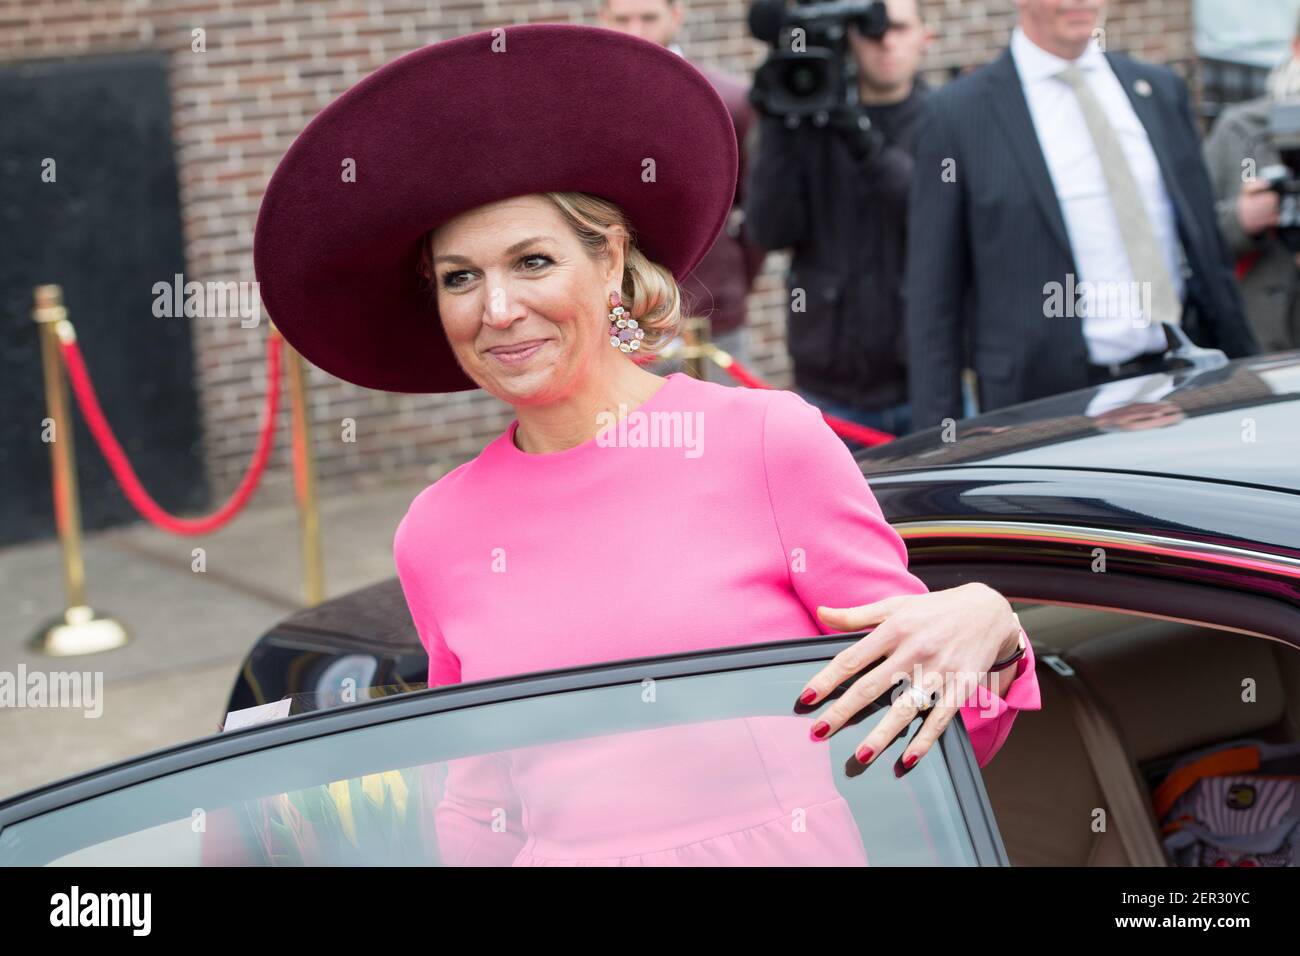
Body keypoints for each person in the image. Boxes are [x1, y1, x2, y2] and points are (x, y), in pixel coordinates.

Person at [253, 23, 1040, 865]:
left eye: (532, 260)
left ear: (610, 260)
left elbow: (920, 726)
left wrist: (991, 629)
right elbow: (478, 800)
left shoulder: (767, 443)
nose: (498, 309)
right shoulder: (435, 530)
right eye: (460, 277)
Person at [905, 0, 1258, 431]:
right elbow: (932, 298)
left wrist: (1246, 371)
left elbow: (1209, 253)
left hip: (1179, 381)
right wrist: (940, 441)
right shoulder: (957, 114)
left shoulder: (1159, 90)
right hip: (1044, 405)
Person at [745, 0, 934, 437]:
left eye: (899, 28)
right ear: (850, 38)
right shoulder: (812, 123)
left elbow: (927, 212)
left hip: (924, 386)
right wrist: (777, 125)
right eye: (872, 32)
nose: (885, 41)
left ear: (926, 38)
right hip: (828, 390)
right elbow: (769, 230)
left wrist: (860, 137)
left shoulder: (944, 118)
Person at [598, 0, 767, 385]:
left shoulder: (729, 101)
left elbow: (758, 211)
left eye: (649, 17)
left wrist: (731, 284)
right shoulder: (584, 106)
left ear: (676, 16)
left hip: (710, 318)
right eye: (623, 19)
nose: (636, 31)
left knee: (723, 439)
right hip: (619, 323)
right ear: (604, 18)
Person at [1203, 12, 1300, 353]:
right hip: (1260, 352)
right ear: (1296, 47)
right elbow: (1190, 237)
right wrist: (1242, 219)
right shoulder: (1240, 130)